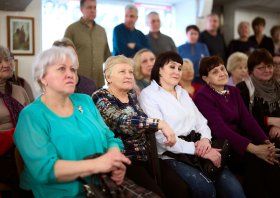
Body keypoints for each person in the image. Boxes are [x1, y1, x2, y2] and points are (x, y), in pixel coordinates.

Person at [13, 47, 131, 198]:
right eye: (61, 68)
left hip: (100, 186)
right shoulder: (31, 116)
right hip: (58, 193)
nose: (71, 74)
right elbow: (45, 170)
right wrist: (99, 164)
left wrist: (114, 163)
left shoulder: (86, 101)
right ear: (43, 77)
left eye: (73, 69)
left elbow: (110, 139)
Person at [138, 51, 245, 198]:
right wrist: (196, 149)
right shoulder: (148, 94)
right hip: (172, 154)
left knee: (234, 189)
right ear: (159, 69)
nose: (177, 72)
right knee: (205, 189)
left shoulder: (181, 91)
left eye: (179, 68)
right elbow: (161, 139)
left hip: (199, 147)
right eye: (172, 67)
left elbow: (201, 122)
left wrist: (205, 141)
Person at [92, 55, 192, 198]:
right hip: (126, 160)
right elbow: (120, 121)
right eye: (122, 72)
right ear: (108, 77)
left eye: (130, 72)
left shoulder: (131, 94)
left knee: (181, 189)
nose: (128, 76)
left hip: (148, 156)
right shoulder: (101, 96)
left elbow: (139, 121)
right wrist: (159, 124)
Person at [194, 55, 280, 198]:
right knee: (259, 159)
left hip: (239, 142)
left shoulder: (233, 91)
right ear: (205, 78)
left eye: (222, 68)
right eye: (215, 71)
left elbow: (247, 120)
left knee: (268, 155)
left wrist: (267, 144)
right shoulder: (202, 96)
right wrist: (255, 149)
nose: (222, 73)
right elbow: (220, 130)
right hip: (222, 147)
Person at [0, 45, 30, 198]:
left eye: (6, 59)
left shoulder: (20, 90)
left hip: (26, 146)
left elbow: (32, 121)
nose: (5, 64)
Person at [64, 0, 111, 88]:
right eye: (89, 7)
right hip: (78, 83)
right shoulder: (72, 29)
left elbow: (107, 56)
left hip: (98, 84)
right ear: (81, 9)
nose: (93, 10)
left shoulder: (101, 30)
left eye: (95, 7)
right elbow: (64, 56)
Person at [236, 49, 280, 141]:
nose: (267, 70)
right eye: (262, 68)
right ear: (251, 69)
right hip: (254, 140)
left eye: (270, 66)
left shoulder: (278, 86)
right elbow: (242, 120)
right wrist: (270, 121)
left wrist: (278, 127)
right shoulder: (242, 89)